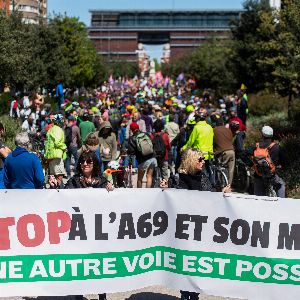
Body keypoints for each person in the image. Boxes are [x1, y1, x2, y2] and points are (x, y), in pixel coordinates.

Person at [160, 148, 231, 300]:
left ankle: (194, 295)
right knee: (184, 266)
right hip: (182, 231)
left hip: (199, 231)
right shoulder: (176, 179)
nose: (203, 161)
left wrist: (222, 194)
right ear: (191, 160)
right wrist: (164, 189)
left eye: (203, 159)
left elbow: (212, 198)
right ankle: (186, 295)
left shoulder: (203, 177)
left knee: (196, 266)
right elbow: (165, 203)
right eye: (200, 159)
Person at [65, 150, 113, 300]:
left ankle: (102, 295)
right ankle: (79, 295)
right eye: (82, 162)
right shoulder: (73, 181)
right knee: (80, 263)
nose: (85, 164)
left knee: (99, 262)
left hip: (97, 229)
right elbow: (62, 198)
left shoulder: (102, 181)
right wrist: (55, 187)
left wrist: (111, 190)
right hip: (80, 229)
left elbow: (113, 202)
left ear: (94, 164)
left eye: (89, 162)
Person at [248, 125, 285, 197]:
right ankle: (282, 203)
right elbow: (284, 160)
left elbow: (243, 154)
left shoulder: (256, 146)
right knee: (281, 185)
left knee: (258, 198)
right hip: (271, 175)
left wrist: (251, 164)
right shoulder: (276, 147)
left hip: (258, 175)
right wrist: (282, 166)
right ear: (272, 135)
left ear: (262, 134)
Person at [182, 110, 214, 182]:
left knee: (197, 173)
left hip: (199, 154)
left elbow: (191, 141)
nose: (195, 120)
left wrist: (183, 148)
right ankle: (212, 185)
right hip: (209, 154)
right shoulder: (210, 127)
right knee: (209, 171)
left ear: (199, 119)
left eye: (196, 118)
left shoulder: (197, 127)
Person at [127, 122, 157, 188]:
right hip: (153, 158)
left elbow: (131, 151)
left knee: (140, 179)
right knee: (149, 176)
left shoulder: (132, 138)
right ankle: (148, 193)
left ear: (132, 130)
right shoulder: (146, 134)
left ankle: (140, 194)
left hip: (143, 160)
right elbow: (153, 143)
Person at [212, 115, 235, 185]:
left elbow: (212, 142)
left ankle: (222, 184)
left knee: (220, 168)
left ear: (216, 123)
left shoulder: (214, 130)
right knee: (231, 170)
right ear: (223, 124)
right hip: (232, 151)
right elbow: (231, 140)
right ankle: (229, 185)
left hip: (222, 152)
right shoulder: (228, 130)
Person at [45, 114, 67, 178]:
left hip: (50, 155)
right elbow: (57, 142)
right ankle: (58, 187)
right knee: (59, 175)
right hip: (56, 155)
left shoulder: (51, 129)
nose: (64, 122)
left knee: (53, 176)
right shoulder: (58, 130)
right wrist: (64, 147)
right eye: (63, 120)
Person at [0, 122, 11, 189]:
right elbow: (6, 155)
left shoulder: (1, 142)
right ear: (1, 130)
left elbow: (9, 150)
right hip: (1, 169)